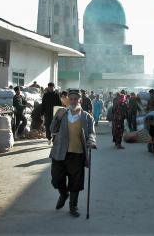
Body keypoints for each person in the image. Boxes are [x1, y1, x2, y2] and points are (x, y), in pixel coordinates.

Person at [49, 88, 96, 217]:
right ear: (68, 100)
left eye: (76, 99)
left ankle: (73, 206)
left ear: (80, 100)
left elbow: (91, 133)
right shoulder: (61, 113)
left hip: (77, 153)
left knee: (76, 181)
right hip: (60, 152)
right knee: (56, 179)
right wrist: (57, 119)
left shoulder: (87, 117)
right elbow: (52, 129)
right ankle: (64, 194)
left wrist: (91, 141)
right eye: (71, 99)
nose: (73, 101)